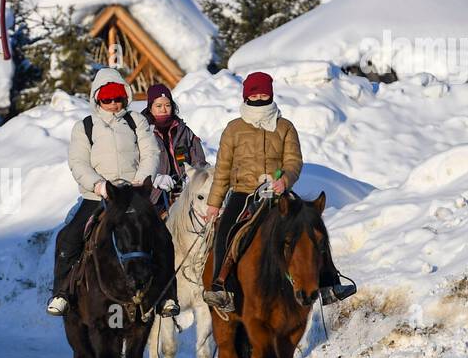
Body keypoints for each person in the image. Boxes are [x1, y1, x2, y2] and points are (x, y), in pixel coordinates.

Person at [201, 71, 355, 311]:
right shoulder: (233, 129)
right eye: (255, 92)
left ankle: (329, 284)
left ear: (271, 94)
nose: (260, 96)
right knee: (226, 229)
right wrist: (214, 203)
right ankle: (222, 287)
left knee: (312, 226)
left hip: (278, 193)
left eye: (264, 92)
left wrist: (284, 180)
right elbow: (222, 169)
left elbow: (294, 161)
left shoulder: (284, 127)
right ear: (247, 95)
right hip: (244, 192)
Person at [47, 68, 179, 318]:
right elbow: (78, 162)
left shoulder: (136, 121)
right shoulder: (84, 127)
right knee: (68, 238)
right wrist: (99, 185)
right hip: (97, 195)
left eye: (118, 98)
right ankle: (61, 292)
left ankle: (166, 295)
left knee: (162, 236)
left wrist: (141, 180)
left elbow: (151, 152)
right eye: (107, 99)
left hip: (133, 193)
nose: (113, 104)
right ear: (97, 99)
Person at [141, 81, 208, 217]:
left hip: (184, 190)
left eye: (167, 105)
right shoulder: (142, 131)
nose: (163, 109)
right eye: (158, 106)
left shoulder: (184, 131)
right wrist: (155, 178)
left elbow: (198, 158)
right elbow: (136, 162)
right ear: (150, 108)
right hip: (155, 194)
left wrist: (194, 174)